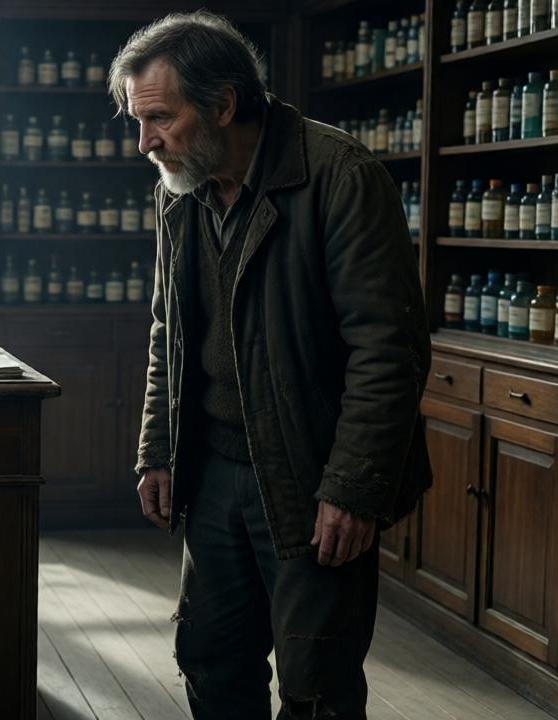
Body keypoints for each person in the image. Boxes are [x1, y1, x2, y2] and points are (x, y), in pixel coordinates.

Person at [114, 11, 431, 719]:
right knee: (210, 659)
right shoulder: (181, 189)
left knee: (315, 679)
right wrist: (157, 449)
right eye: (139, 122)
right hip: (214, 467)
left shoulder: (339, 175)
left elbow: (388, 348)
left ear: (223, 104)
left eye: (160, 118)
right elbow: (170, 331)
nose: (146, 143)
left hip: (310, 472)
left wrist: (352, 488)